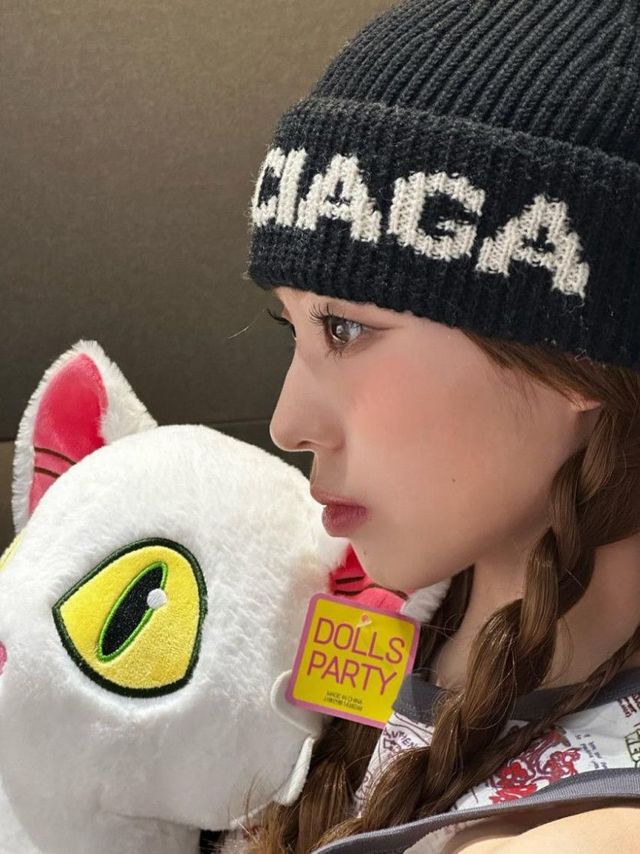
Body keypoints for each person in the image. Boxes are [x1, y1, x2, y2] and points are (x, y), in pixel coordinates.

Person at [220, 0, 640, 850]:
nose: (288, 424)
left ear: (577, 351)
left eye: (346, 328)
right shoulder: (336, 594)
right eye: (291, 329)